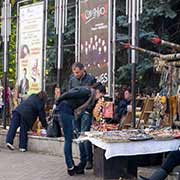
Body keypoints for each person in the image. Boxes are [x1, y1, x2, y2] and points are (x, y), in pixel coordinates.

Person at [55, 83, 106, 176]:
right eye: (100, 96)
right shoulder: (86, 92)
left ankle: (76, 165)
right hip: (65, 110)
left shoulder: (90, 96)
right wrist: (57, 101)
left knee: (73, 138)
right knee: (68, 139)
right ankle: (70, 166)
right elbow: (69, 94)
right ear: (97, 91)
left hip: (69, 112)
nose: (99, 98)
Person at [69, 62, 96, 169]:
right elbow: (70, 93)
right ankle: (83, 160)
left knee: (85, 135)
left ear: (83, 70)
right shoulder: (72, 80)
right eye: (74, 72)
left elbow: (95, 95)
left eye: (77, 72)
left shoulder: (91, 79)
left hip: (86, 111)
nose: (76, 74)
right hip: (76, 111)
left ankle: (89, 160)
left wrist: (89, 109)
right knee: (79, 136)